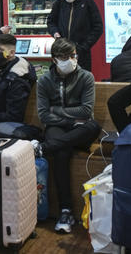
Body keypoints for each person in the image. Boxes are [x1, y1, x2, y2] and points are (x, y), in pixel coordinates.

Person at [33, 38, 101, 234]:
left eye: (73, 55)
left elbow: (86, 111)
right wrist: (70, 120)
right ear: (54, 59)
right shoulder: (44, 81)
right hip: (62, 130)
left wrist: (58, 111)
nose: (70, 60)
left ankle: (42, 148)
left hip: (81, 131)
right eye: (64, 57)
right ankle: (66, 210)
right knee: (61, 151)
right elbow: (43, 115)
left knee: (92, 126)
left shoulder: (86, 77)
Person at [46, 0, 103, 72]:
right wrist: (55, 32)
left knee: (81, 79)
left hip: (81, 52)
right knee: (59, 76)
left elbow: (98, 27)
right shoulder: (59, 3)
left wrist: (85, 46)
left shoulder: (88, 3)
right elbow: (51, 21)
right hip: (61, 50)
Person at [0, 33, 37, 123]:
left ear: (11, 53)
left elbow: (14, 116)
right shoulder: (0, 68)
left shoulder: (17, 77)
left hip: (9, 125)